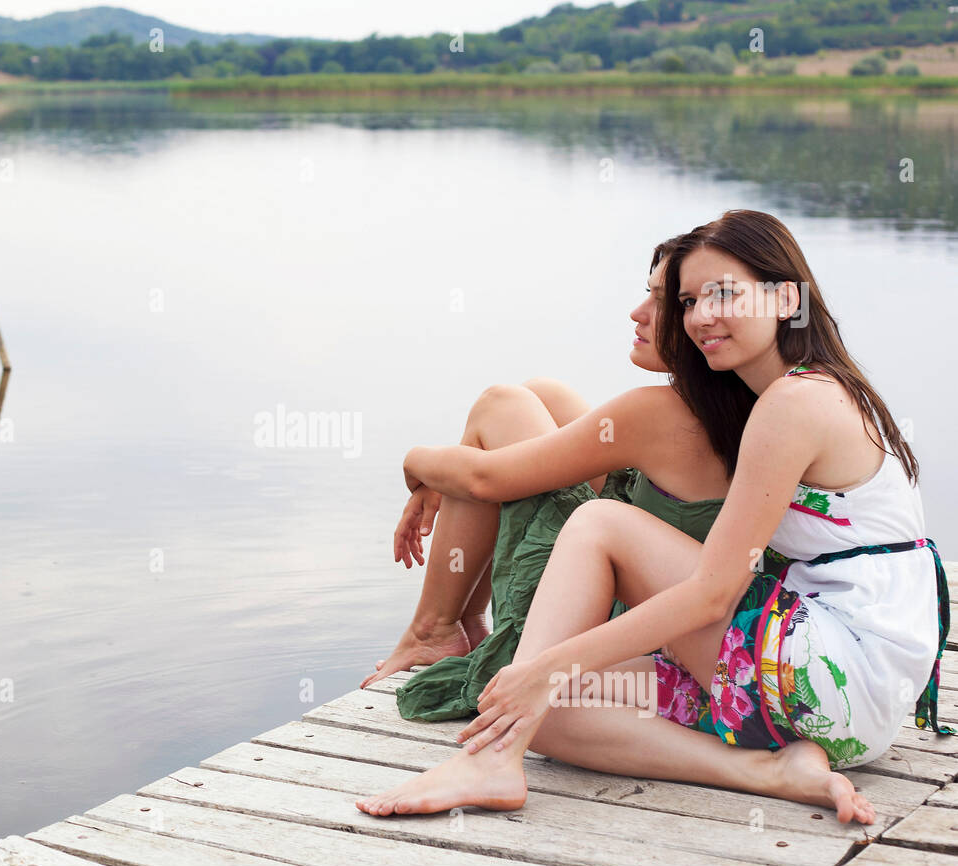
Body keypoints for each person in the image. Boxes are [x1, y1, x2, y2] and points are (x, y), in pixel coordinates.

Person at [357, 209, 948, 825]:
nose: (700, 316)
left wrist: (544, 666)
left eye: (723, 293)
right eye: (690, 300)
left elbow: (713, 595)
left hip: (836, 673)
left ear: (785, 297)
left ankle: (492, 760)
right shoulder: (797, 394)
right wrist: (541, 681)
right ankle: (771, 771)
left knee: (597, 529)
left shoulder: (796, 402)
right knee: (544, 707)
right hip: (847, 707)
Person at [378, 238, 735, 727]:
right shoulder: (734, 397)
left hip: (617, 626)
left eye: (665, 301)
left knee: (498, 408)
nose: (637, 313)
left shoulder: (656, 415)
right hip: (676, 604)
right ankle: (460, 620)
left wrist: (415, 464)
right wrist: (442, 476)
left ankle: (434, 626)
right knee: (544, 395)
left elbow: (483, 479)